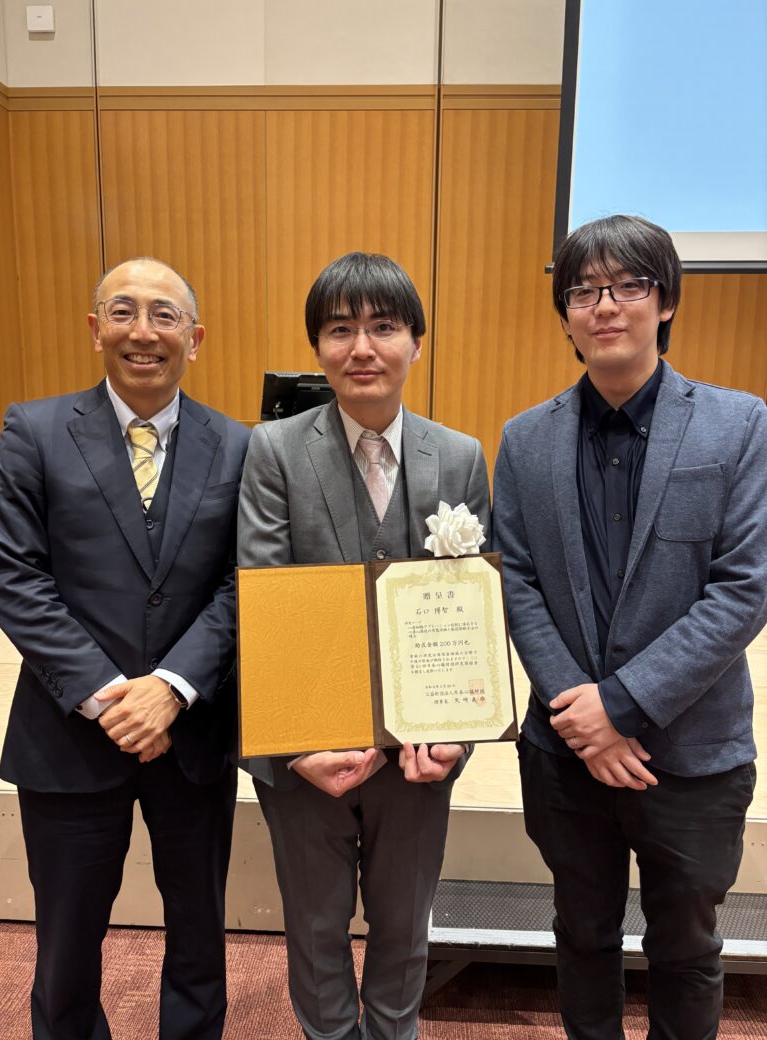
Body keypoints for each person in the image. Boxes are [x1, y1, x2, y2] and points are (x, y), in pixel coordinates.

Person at [492, 214, 767, 1039]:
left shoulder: (738, 424)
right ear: (566, 315)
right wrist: (583, 714)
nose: (605, 306)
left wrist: (620, 706)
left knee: (687, 948)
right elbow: (519, 583)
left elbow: (744, 589)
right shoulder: (524, 440)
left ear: (666, 300)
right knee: (582, 935)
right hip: (565, 751)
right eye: (583, 292)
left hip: (690, 749)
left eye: (628, 286)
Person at [0, 258, 250, 1040]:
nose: (144, 331)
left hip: (192, 732)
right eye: (123, 311)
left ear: (194, 339)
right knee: (66, 948)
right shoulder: (32, 431)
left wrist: (171, 686)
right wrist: (109, 696)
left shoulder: (240, 446)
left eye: (165, 315)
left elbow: (244, 583)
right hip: (68, 733)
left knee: (200, 937)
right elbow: (11, 574)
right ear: (94, 327)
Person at [238, 251, 490, 1040]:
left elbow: (470, 611)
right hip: (308, 751)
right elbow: (264, 599)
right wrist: (299, 744)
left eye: (383, 327)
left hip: (419, 756)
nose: (362, 348)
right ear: (317, 346)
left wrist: (454, 735)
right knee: (315, 932)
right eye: (340, 330)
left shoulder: (459, 455)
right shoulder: (273, 449)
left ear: (417, 340)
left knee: (405, 927)